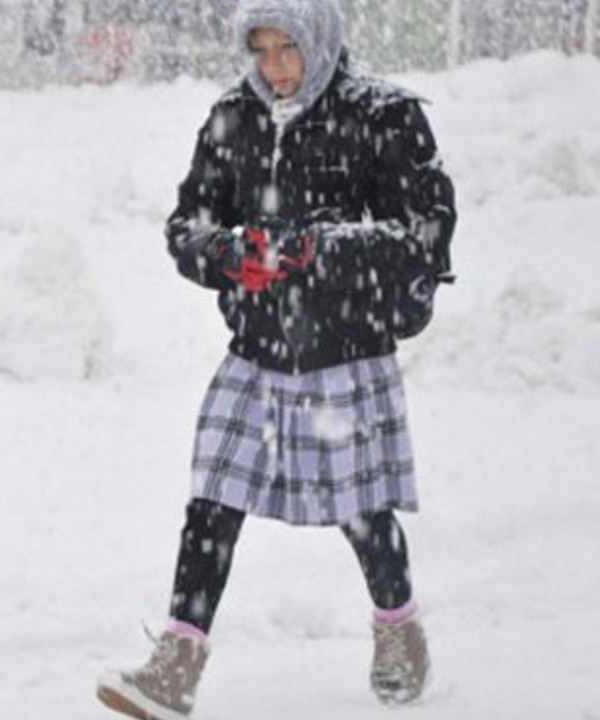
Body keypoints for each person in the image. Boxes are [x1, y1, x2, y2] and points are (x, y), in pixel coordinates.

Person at [96, 0, 456, 717]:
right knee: (212, 503)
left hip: (346, 348)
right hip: (257, 349)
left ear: (320, 42)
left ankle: (398, 628)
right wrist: (228, 252)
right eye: (260, 50)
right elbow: (187, 225)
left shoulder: (384, 116)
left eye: (287, 49)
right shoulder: (234, 115)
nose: (274, 68)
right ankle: (178, 662)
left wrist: (316, 249)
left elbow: (423, 233)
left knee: (363, 512)